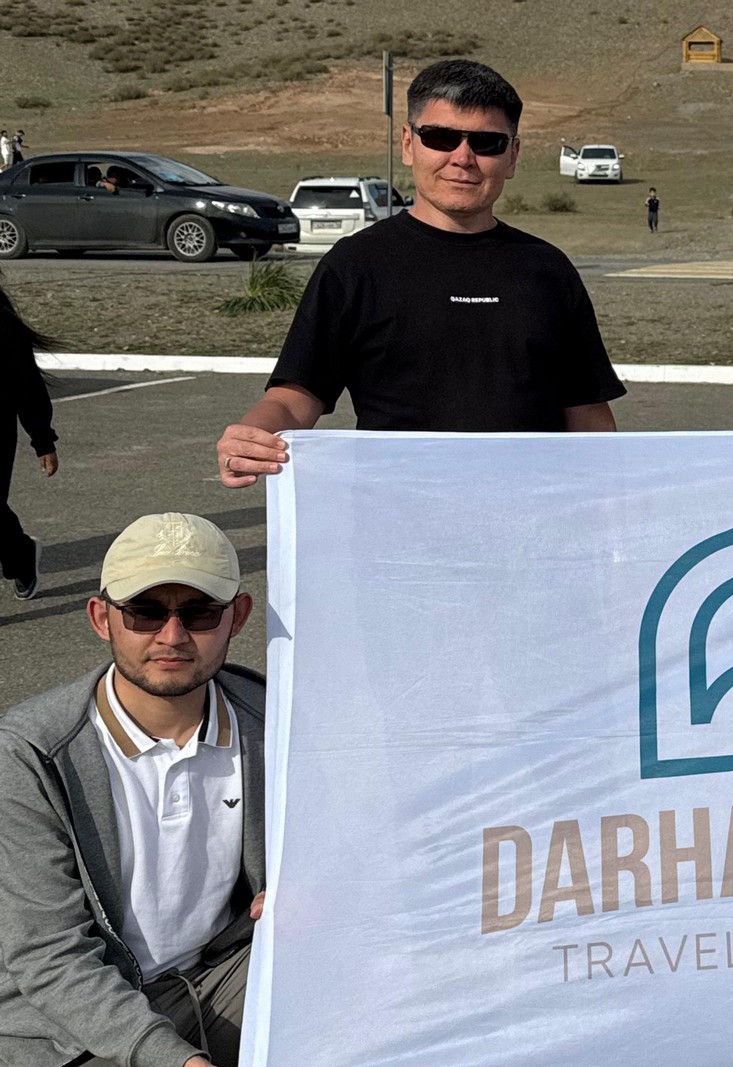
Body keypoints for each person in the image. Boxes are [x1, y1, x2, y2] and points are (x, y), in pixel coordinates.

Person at [214, 60, 623, 487]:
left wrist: (615, 500)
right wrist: (253, 435)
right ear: (408, 144)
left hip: (533, 516)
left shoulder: (548, 270)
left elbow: (587, 414)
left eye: (487, 143)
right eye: (441, 137)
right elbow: (294, 398)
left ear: (512, 156)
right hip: (395, 517)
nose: (462, 158)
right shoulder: (355, 265)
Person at [0, 512, 267, 1067]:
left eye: (199, 611)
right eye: (144, 611)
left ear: (238, 616)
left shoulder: (272, 720)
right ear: (102, 618)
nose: (172, 636)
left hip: (222, 976)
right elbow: (51, 957)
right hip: (71, 1029)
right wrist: (178, 1061)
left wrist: (309, 893)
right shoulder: (29, 752)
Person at [1, 269, 57, 599]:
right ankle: (20, 553)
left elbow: (28, 386)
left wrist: (43, 440)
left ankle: (21, 556)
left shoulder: (4, 325)